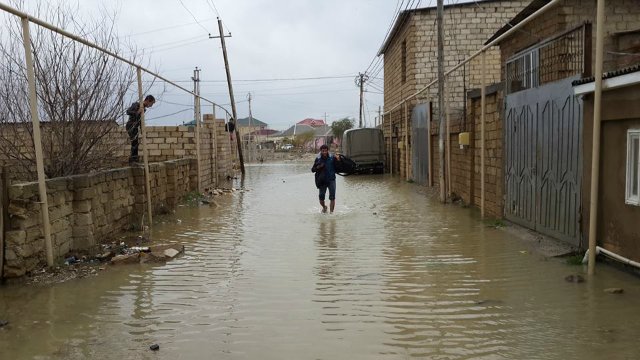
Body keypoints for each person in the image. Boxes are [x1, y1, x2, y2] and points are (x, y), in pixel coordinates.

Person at [311, 144, 342, 213]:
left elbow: (338, 168)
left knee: (332, 197)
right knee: (321, 198)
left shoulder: (332, 158)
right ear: (321, 151)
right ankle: (324, 207)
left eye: (325, 151)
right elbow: (312, 170)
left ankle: (331, 213)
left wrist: (338, 160)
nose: (324, 152)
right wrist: (318, 167)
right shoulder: (318, 159)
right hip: (322, 181)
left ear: (328, 150)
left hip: (331, 180)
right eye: (323, 151)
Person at [125, 95, 155, 164]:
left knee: (136, 142)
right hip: (130, 125)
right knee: (134, 142)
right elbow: (128, 111)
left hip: (135, 127)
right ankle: (133, 160)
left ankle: (134, 159)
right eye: (151, 103)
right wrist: (137, 112)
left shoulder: (143, 109)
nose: (151, 105)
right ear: (148, 101)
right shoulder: (136, 105)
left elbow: (140, 120)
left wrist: (142, 130)